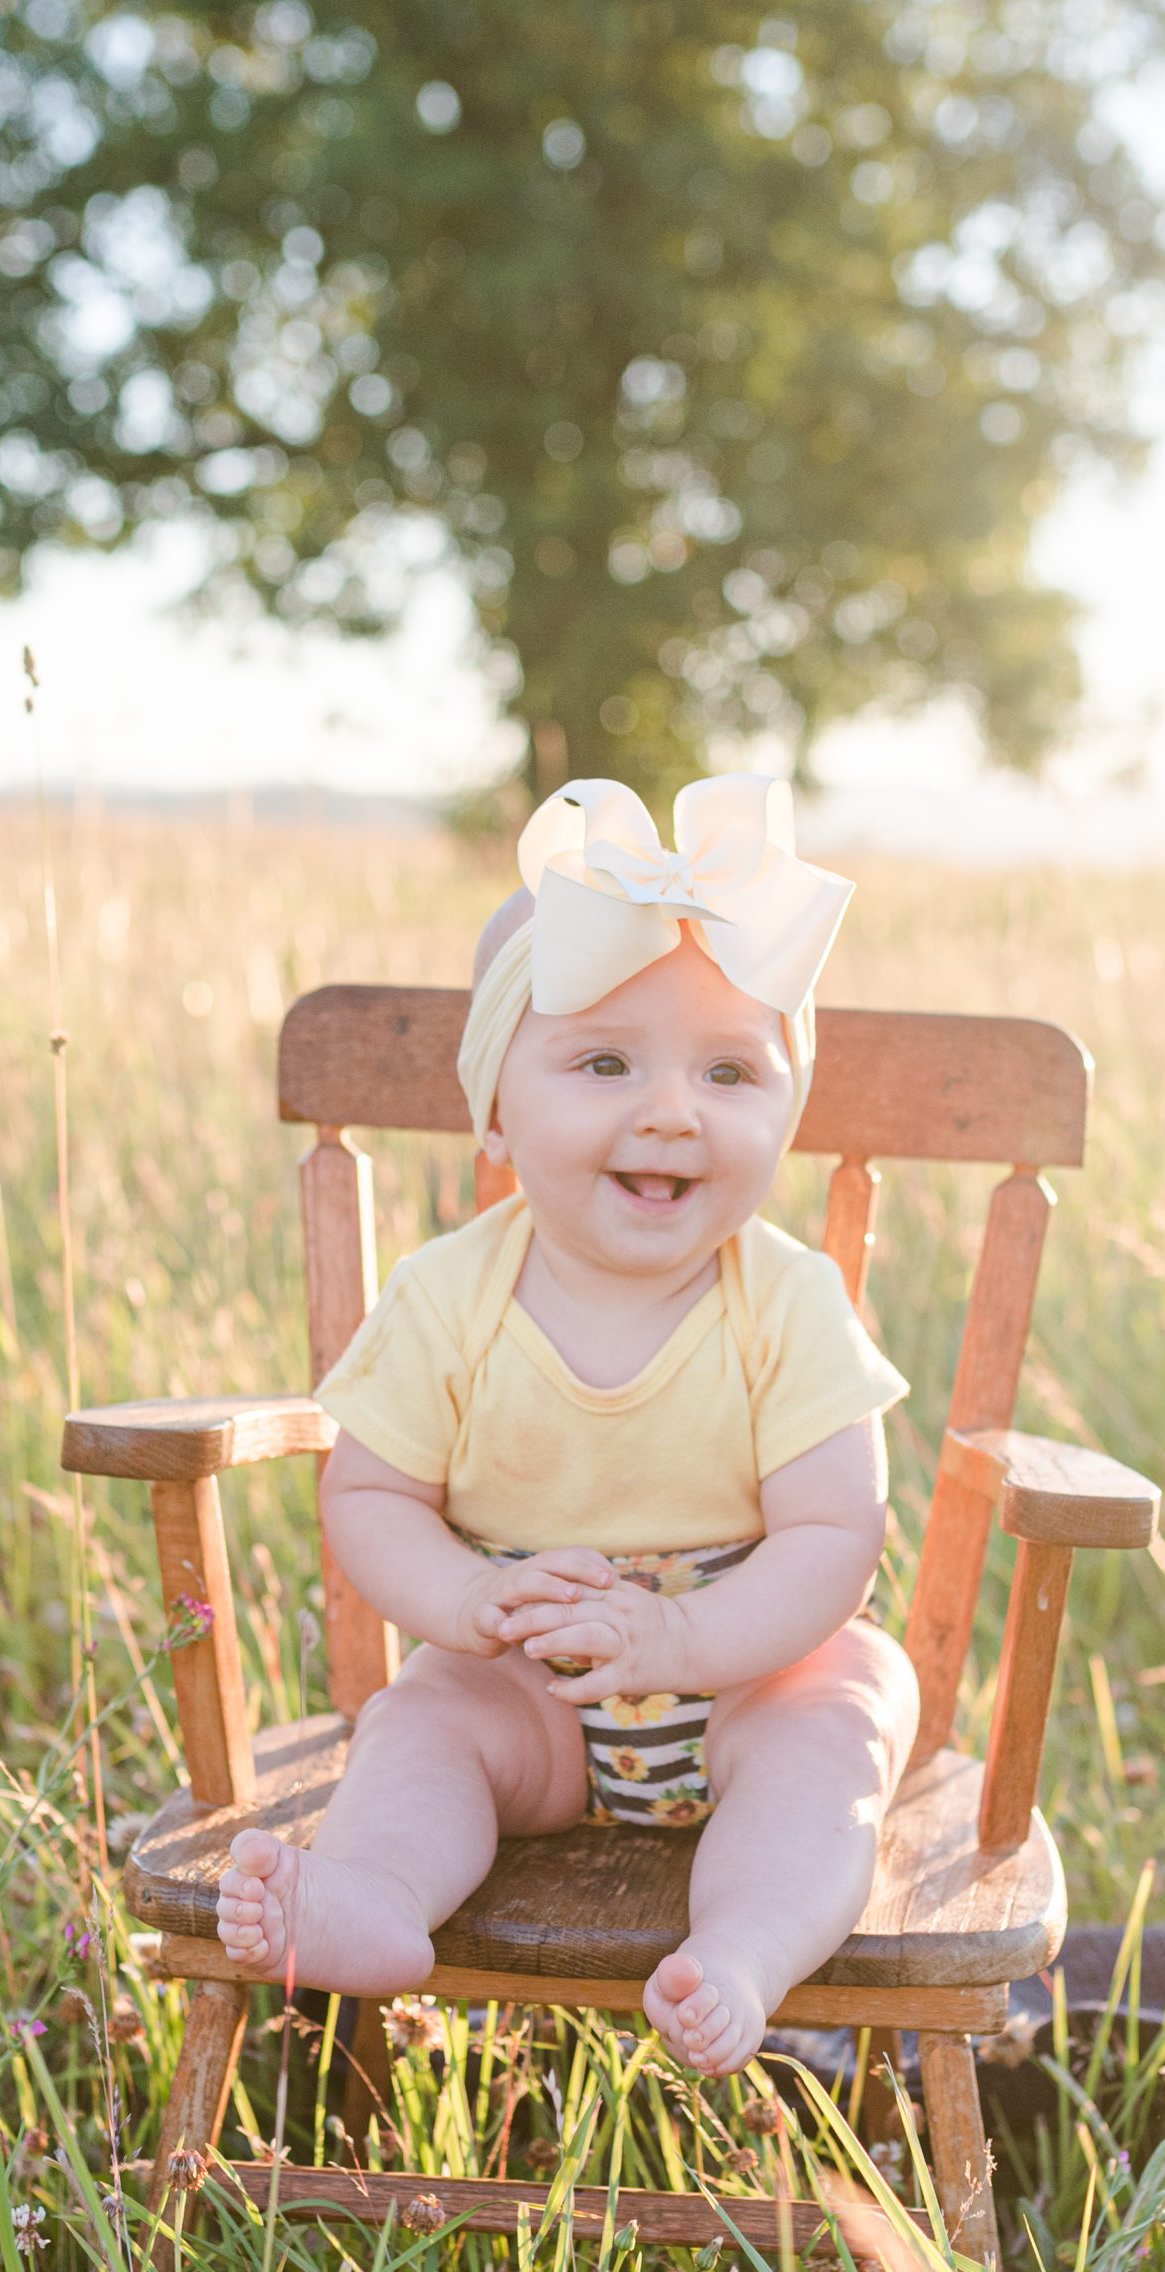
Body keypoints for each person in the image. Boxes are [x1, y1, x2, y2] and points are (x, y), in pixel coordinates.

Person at [214, 773, 919, 2076]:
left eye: (729, 1072)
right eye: (604, 1063)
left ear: (782, 1111)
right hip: (525, 1667)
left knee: (840, 1724)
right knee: (423, 1728)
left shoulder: (787, 1302)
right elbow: (371, 1498)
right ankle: (370, 1899)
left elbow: (836, 1530)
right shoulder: (445, 1297)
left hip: (743, 1671)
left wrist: (682, 1638)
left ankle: (748, 1949)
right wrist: (470, 1606)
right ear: (495, 1111)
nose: (670, 1110)